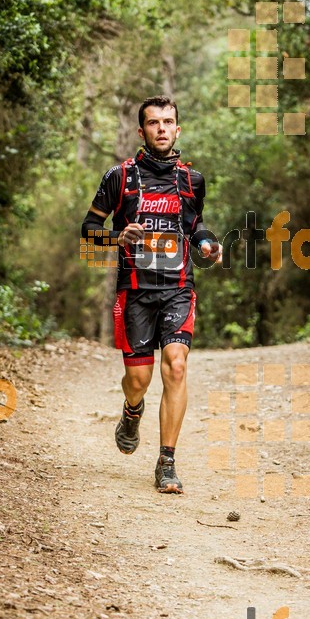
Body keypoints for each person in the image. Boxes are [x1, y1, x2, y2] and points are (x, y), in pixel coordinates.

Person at [81, 95, 220, 493]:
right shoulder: (119, 176)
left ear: (178, 129)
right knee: (138, 379)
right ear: (141, 131)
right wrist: (115, 236)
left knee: (176, 365)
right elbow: (88, 228)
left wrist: (208, 244)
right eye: (154, 122)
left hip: (178, 288)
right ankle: (132, 410)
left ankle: (167, 462)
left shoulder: (192, 180)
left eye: (168, 121)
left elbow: (196, 226)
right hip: (135, 292)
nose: (162, 128)